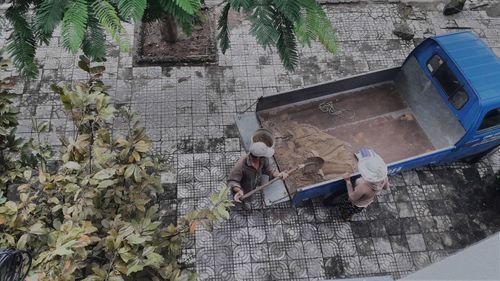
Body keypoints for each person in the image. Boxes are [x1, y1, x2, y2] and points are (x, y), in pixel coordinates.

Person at [326, 148, 389, 220]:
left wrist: (348, 181)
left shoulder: (363, 186)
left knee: (346, 209)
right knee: (355, 211)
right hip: (365, 203)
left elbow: (352, 198)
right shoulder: (384, 178)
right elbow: (386, 188)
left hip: (355, 204)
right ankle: (349, 215)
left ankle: (344, 216)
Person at [227, 142, 288, 210]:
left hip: (254, 182)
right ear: (258, 157)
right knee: (244, 197)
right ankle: (244, 203)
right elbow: (232, 181)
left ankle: (247, 201)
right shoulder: (241, 165)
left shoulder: (263, 159)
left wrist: (278, 174)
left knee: (251, 194)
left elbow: (268, 169)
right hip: (244, 187)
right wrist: (238, 190)